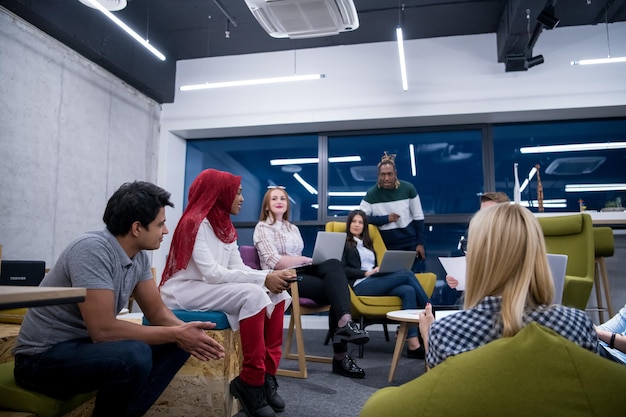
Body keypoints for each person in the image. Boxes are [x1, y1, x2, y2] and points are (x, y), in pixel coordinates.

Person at [12, 181, 225, 417]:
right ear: (137, 228)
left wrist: (187, 333)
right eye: (160, 224)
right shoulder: (92, 249)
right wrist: (177, 332)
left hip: (83, 348)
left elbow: (157, 313)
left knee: (180, 341)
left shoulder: (138, 256)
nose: (165, 231)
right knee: (135, 354)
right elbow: (103, 331)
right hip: (40, 361)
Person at [159, 169, 295, 417]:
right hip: (185, 290)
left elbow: (237, 268)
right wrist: (263, 277)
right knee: (254, 295)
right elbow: (212, 272)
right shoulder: (194, 222)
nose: (242, 198)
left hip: (210, 287)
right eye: (238, 193)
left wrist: (266, 281)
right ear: (220, 193)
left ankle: (267, 375)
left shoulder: (224, 225)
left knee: (279, 294)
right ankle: (250, 382)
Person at [418, 203, 598, 369]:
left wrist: (428, 335)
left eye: (468, 246)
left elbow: (439, 391)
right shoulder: (576, 325)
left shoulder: (446, 333)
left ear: (479, 257)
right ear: (536, 255)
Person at [254, 187, 369, 379]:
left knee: (333, 265)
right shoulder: (262, 228)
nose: (279, 201)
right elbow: (275, 262)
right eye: (274, 198)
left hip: (302, 271)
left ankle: (345, 323)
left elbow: (298, 257)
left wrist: (307, 260)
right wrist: (305, 260)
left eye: (283, 197)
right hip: (282, 278)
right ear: (267, 206)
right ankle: (341, 354)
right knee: (337, 290)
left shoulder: (293, 228)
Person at [341, 210, 430, 358]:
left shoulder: (368, 245)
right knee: (407, 274)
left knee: (408, 290)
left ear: (365, 226)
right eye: (354, 221)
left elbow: (373, 266)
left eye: (360, 222)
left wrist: (379, 271)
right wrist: (365, 273)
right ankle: (431, 312)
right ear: (349, 224)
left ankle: (413, 344)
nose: (356, 225)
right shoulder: (344, 243)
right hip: (359, 285)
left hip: (374, 281)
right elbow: (342, 269)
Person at [359, 152, 426, 273]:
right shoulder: (371, 194)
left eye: (390, 174)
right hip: (385, 247)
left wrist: (420, 243)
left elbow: (418, 217)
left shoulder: (408, 188)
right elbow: (361, 218)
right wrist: (385, 219)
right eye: (383, 174)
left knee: (414, 278)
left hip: (409, 244)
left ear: (395, 174)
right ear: (378, 175)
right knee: (392, 281)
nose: (386, 178)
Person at [445, 191, 510, 291]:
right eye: (482, 212)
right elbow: (465, 263)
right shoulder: (473, 233)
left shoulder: (515, 237)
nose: (484, 216)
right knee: (449, 292)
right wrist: (455, 277)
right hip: (478, 290)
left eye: (489, 212)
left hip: (506, 291)